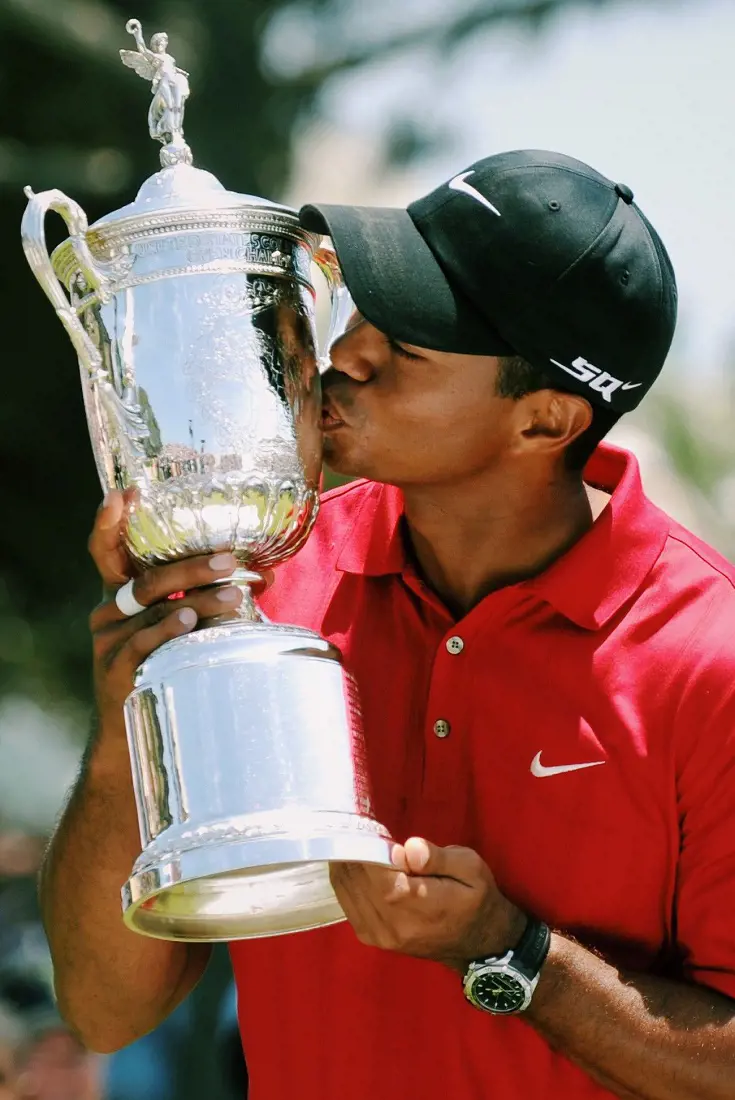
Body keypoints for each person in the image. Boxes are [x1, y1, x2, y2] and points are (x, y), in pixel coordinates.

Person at [39, 149, 735, 1099]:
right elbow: (103, 1012)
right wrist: (131, 735)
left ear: (543, 421)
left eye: (407, 344)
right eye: (364, 309)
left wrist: (509, 952)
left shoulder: (711, 661)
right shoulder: (268, 576)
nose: (347, 353)